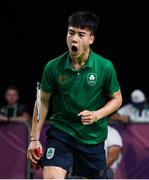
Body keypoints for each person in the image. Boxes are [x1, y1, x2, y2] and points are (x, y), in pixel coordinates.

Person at [27, 11, 122, 179]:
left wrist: (96, 115)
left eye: (81, 34)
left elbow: (117, 99)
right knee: (51, 177)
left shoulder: (105, 67)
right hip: (62, 132)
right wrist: (34, 139)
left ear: (91, 39)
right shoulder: (53, 67)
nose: (74, 38)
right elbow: (42, 102)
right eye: (71, 33)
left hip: (92, 138)